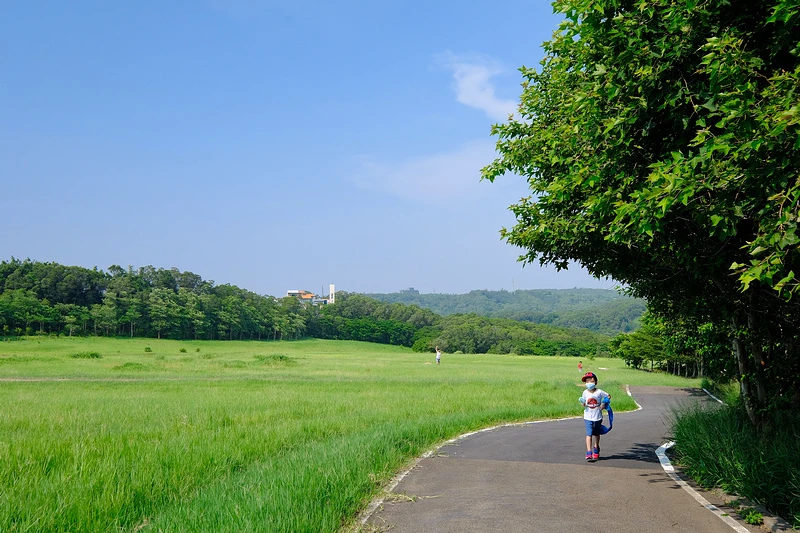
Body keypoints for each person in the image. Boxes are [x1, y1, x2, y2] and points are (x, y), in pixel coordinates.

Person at [579, 371, 610, 461]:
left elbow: (608, 396)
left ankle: (596, 448)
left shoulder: (599, 392)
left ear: (595, 382)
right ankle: (589, 452)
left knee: (596, 433)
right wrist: (583, 403)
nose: (589, 383)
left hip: (598, 416)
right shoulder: (585, 392)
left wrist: (604, 403)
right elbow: (584, 402)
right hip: (588, 416)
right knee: (589, 434)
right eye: (587, 381)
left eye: (591, 381)